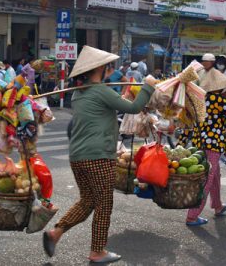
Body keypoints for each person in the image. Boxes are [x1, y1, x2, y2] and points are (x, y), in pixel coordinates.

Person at [42, 46, 156, 263]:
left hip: (77, 156)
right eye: (107, 67)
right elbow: (134, 107)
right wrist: (148, 87)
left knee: (87, 201)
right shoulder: (101, 91)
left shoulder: (78, 94)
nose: (109, 70)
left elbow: (109, 105)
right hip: (98, 156)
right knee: (104, 204)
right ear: (101, 69)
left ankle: (55, 233)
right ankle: (97, 251)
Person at [186, 68, 226, 226]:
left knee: (214, 175)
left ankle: (217, 206)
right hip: (212, 143)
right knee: (207, 180)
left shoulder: (201, 98)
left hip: (199, 141)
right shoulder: (219, 100)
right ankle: (192, 215)